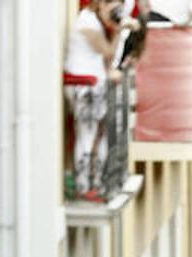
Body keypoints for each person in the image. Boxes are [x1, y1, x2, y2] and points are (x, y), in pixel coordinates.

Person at [64, 0, 128, 201]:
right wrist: (119, 29)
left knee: (95, 135)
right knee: (87, 134)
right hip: (85, 87)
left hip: (93, 85)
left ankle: (95, 182)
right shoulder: (87, 23)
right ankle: (85, 186)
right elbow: (108, 51)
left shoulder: (95, 22)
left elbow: (110, 59)